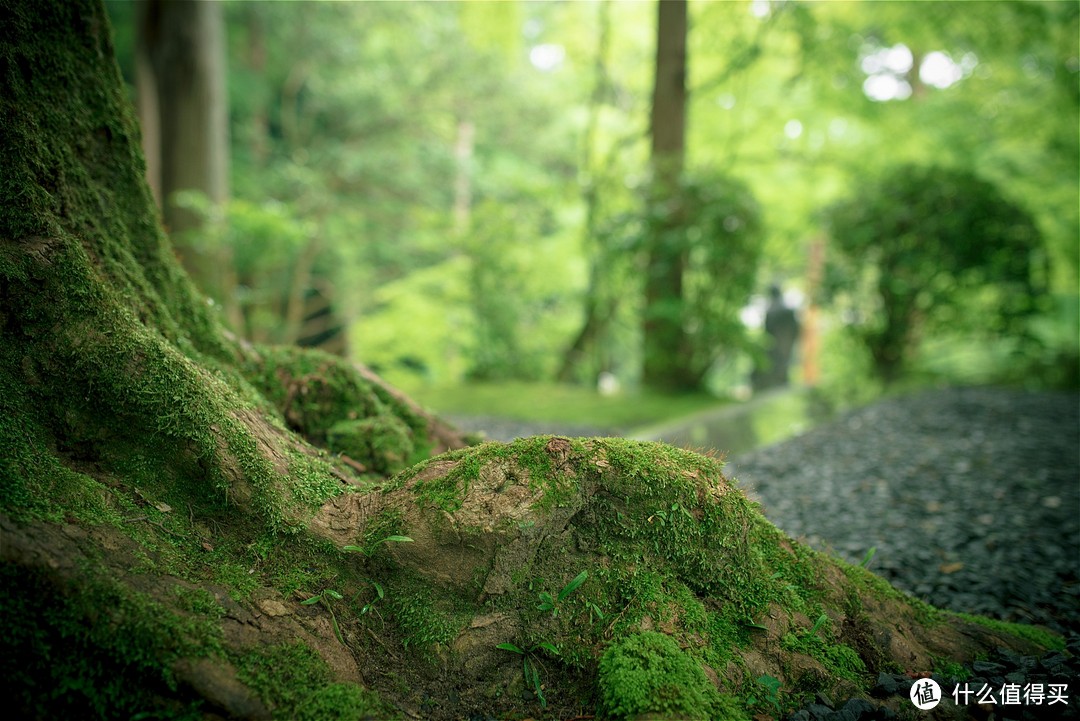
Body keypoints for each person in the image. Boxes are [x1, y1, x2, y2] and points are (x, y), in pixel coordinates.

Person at [752, 284, 800, 391]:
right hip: (782, 340)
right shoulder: (783, 308)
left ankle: (781, 382)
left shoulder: (773, 309)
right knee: (780, 361)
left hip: (779, 340)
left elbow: (767, 327)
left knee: (780, 361)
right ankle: (779, 382)